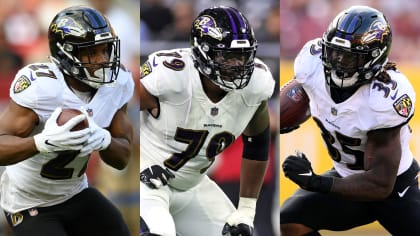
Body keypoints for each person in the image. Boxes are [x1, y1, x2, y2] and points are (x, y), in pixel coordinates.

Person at [280, 5, 420, 236]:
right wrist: (290, 114)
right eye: (335, 52)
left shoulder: (383, 98)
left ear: (375, 58)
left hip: (392, 188)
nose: (338, 61)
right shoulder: (311, 64)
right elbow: (305, 92)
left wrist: (315, 182)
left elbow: (379, 184)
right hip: (345, 177)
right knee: (288, 221)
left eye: (349, 57)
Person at [139, 5, 275, 236]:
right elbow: (120, 111)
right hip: (149, 182)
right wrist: (139, 164)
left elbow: (257, 144)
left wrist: (246, 210)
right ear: (202, 52)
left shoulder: (256, 85)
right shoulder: (169, 76)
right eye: (228, 56)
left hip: (193, 184)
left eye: (243, 56)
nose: (238, 65)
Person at [0, 6, 134, 236]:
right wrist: (41, 143)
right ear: (66, 53)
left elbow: (122, 158)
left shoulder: (118, 84)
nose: (103, 60)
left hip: (74, 192)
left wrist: (104, 140)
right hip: (28, 201)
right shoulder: (42, 87)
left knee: (117, 228)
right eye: (92, 52)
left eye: (106, 49)